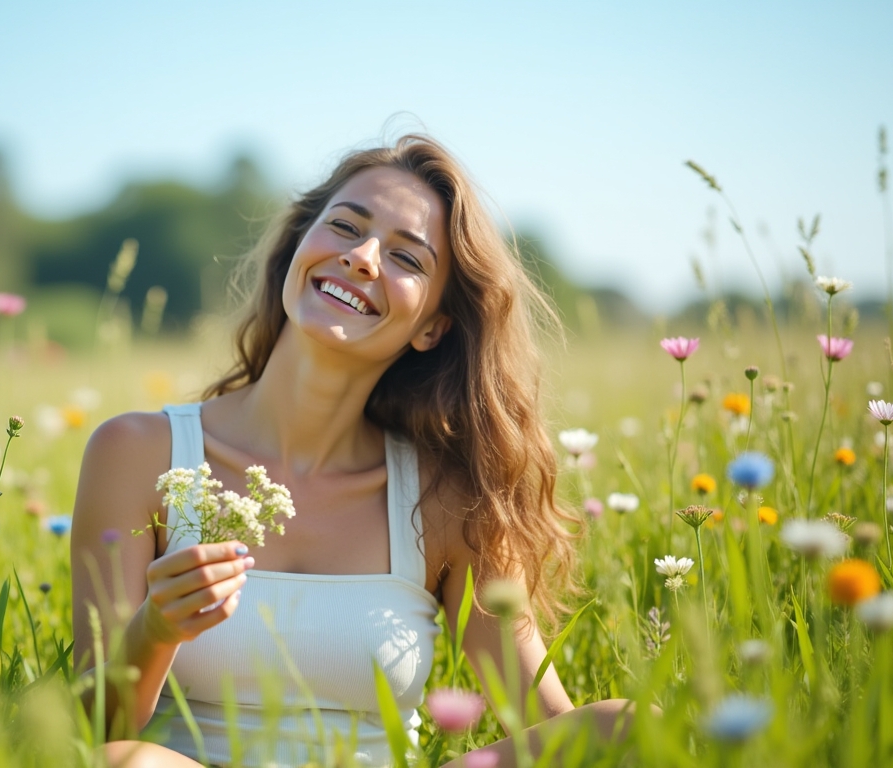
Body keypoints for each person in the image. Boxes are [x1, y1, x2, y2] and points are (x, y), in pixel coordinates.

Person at [71, 135, 637, 767]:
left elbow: (548, 724)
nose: (362, 258)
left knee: (630, 728)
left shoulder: (444, 499)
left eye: (407, 259)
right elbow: (95, 730)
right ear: (297, 251)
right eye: (344, 226)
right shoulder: (138, 453)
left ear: (433, 327)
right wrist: (155, 631)